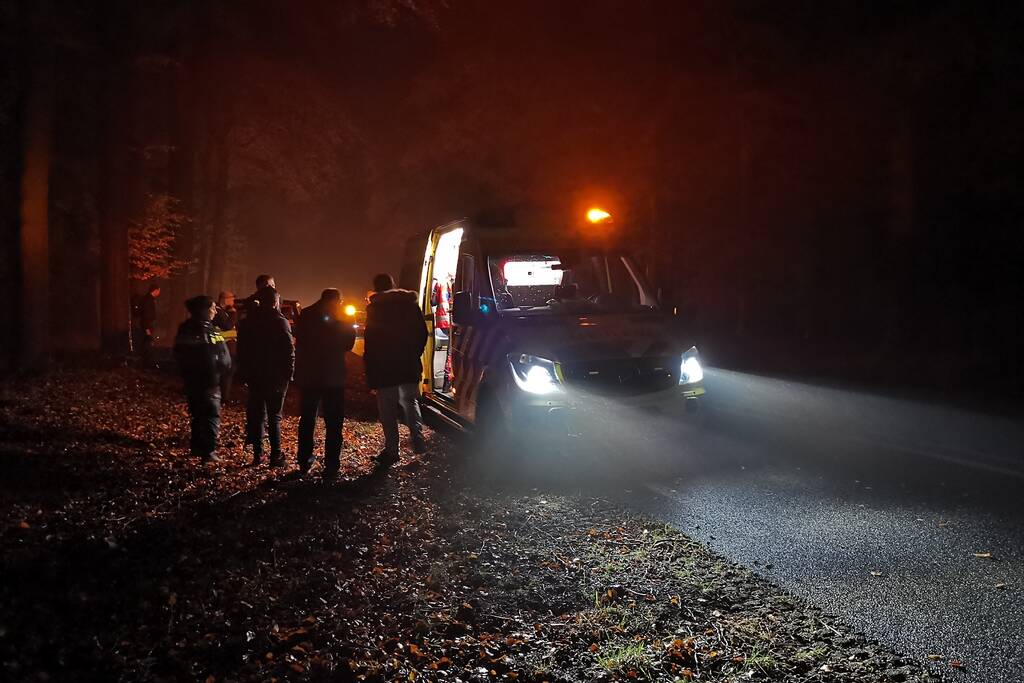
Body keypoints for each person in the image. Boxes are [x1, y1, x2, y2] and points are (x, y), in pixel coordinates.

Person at [364, 273, 428, 468]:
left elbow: (371, 340)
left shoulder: (375, 308)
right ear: (393, 285)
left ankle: (392, 451)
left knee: (388, 410)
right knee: (410, 402)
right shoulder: (410, 304)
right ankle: (418, 440)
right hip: (407, 363)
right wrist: (413, 353)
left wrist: (371, 368)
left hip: (385, 367)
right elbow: (422, 333)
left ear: (376, 288)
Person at [293, 288, 356, 478]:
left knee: (308, 418)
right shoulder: (342, 317)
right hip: (333, 376)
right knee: (334, 421)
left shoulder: (306, 314)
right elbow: (349, 344)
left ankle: (304, 459)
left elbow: (300, 341)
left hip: (310, 375)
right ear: (338, 300)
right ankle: (332, 463)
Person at [237, 286, 294, 466]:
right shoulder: (280, 321)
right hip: (275, 376)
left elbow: (242, 350)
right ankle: (275, 455)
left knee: (257, 415)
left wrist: (244, 373)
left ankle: (258, 454)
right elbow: (288, 350)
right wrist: (289, 373)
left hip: (255, 375)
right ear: (276, 301)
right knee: (274, 416)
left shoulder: (248, 321)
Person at [173, 295, 232, 463]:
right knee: (211, 416)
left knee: (197, 414)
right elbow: (223, 356)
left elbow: (178, 353)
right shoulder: (210, 330)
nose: (215, 311)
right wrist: (220, 370)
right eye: (213, 308)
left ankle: (197, 447)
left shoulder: (185, 328)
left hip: (191, 380)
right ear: (204, 310)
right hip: (209, 381)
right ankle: (209, 451)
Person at [214, 291, 238, 400]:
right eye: (232, 299)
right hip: (223, 347)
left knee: (227, 374)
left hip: (227, 347)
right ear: (226, 299)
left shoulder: (223, 312)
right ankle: (224, 398)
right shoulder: (218, 312)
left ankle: (224, 397)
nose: (233, 301)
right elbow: (227, 326)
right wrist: (233, 314)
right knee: (226, 374)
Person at [132, 284, 161, 365]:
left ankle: (146, 360)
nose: (159, 293)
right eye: (159, 291)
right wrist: (147, 328)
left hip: (147, 324)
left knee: (146, 342)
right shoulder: (148, 300)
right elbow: (146, 315)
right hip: (147, 325)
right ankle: (147, 361)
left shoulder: (149, 299)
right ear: (155, 290)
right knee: (148, 343)